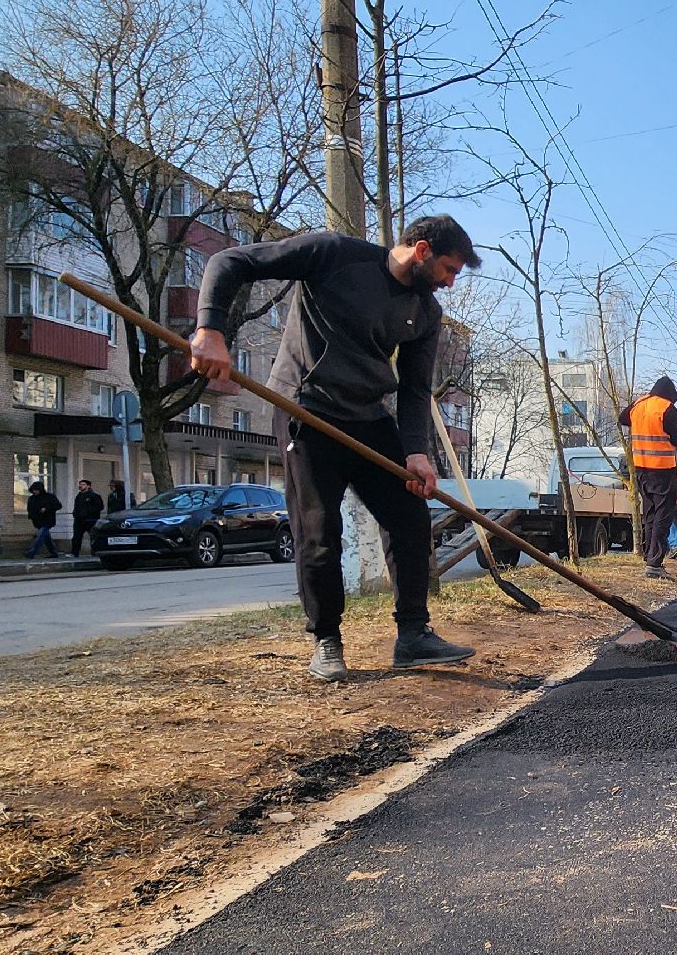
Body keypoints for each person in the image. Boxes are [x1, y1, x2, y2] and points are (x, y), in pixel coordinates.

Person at [191, 214, 483, 684]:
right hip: (306, 410)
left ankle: (413, 635)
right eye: (450, 269)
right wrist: (210, 331)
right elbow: (230, 260)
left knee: (411, 516)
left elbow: (412, 389)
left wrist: (416, 453)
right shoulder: (334, 255)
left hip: (367, 416)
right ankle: (326, 641)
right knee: (319, 529)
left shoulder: (426, 313)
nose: (450, 283)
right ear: (423, 250)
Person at [622, 375, 677, 581]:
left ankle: (650, 556)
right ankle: (654, 564)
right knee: (662, 516)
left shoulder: (639, 404)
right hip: (662, 471)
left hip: (641, 470)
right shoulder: (666, 408)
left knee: (649, 514)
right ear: (670, 395)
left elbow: (622, 418)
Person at [24, 481, 61, 559]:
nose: (35, 491)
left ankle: (32, 552)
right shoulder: (32, 499)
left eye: (36, 490)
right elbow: (30, 509)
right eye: (33, 490)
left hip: (48, 520)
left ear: (40, 489)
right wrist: (32, 516)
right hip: (38, 521)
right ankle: (53, 553)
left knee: (40, 536)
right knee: (46, 538)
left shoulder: (49, 497)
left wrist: (47, 509)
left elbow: (58, 505)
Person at [70, 479, 103, 557]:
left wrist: (89, 512)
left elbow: (100, 506)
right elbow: (77, 507)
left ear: (88, 486)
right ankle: (74, 553)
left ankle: (95, 552)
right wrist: (75, 513)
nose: (81, 486)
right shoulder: (79, 496)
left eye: (83, 484)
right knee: (76, 537)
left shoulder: (94, 496)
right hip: (79, 520)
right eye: (80, 484)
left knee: (93, 537)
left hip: (90, 520)